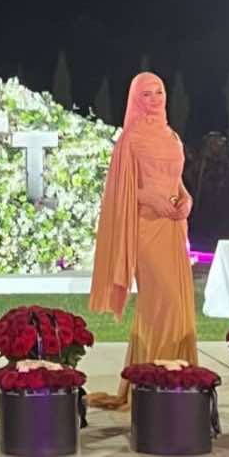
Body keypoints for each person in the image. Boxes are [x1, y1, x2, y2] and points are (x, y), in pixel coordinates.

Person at [86, 70, 198, 410]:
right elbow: (119, 192)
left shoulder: (172, 136)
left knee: (178, 305)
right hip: (147, 229)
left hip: (174, 228)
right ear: (136, 99)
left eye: (159, 91)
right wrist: (150, 198)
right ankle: (153, 382)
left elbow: (176, 181)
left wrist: (187, 199)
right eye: (147, 93)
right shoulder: (130, 139)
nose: (155, 98)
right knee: (161, 302)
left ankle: (178, 378)